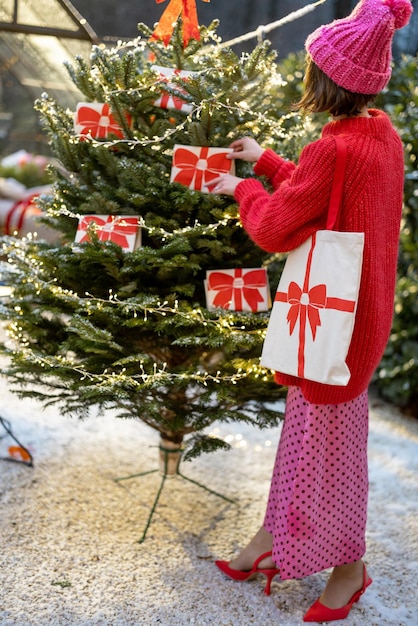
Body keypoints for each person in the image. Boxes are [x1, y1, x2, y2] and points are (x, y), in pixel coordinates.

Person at [208, 0, 413, 622]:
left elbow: (275, 225)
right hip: (353, 322)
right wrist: (268, 160)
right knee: (306, 443)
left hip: (329, 329)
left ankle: (348, 569)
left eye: (313, 68)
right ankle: (270, 541)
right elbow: (325, 197)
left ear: (328, 80)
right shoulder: (378, 135)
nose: (306, 78)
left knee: (327, 455)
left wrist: (240, 186)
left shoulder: (335, 150)